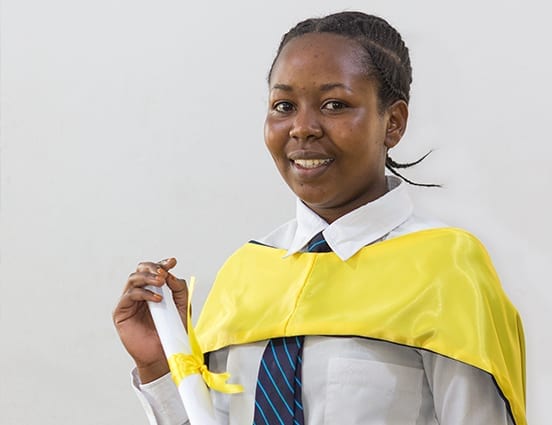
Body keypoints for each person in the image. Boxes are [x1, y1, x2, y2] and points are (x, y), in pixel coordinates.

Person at [113, 11, 526, 425]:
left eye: (334, 104)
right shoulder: (245, 273)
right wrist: (160, 366)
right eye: (284, 106)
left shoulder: (446, 270)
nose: (303, 127)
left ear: (394, 123)